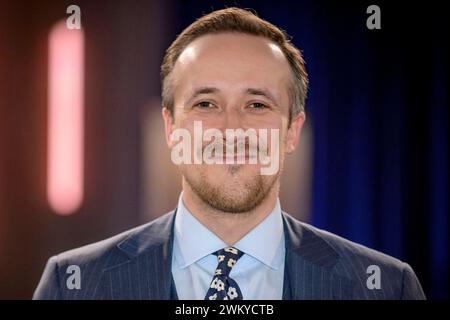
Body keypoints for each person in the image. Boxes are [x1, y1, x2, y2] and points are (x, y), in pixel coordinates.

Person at [34, 7, 425, 300]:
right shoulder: (73, 284)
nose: (231, 128)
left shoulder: (385, 287)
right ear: (171, 128)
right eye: (206, 104)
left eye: (257, 105)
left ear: (293, 131)